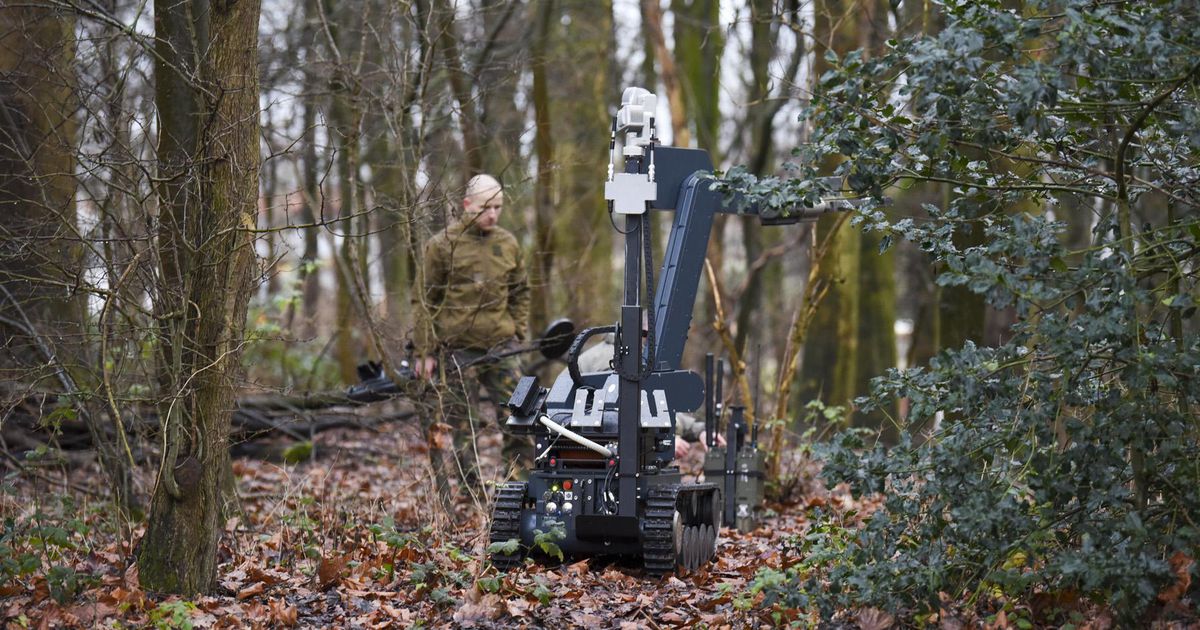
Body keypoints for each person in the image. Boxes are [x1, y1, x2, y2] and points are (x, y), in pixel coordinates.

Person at [411, 174, 532, 488]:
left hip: (503, 346)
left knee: (519, 416)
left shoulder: (507, 243)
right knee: (462, 425)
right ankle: (470, 488)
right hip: (458, 349)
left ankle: (518, 483)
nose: (492, 213)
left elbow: (521, 291)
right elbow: (424, 300)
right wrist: (425, 351)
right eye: (485, 207)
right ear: (467, 205)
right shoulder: (442, 246)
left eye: (498, 206)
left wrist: (518, 330)